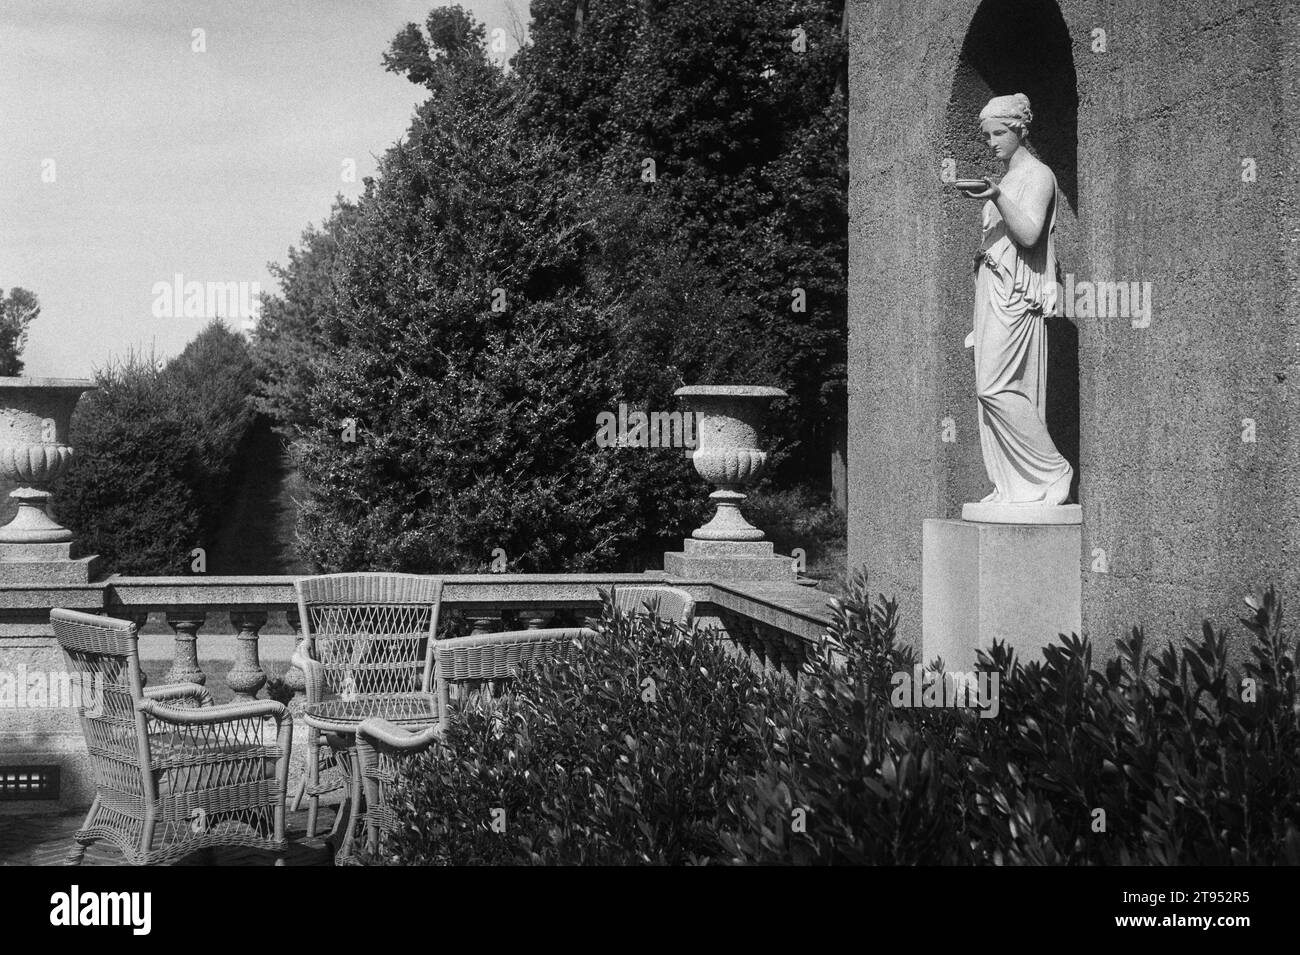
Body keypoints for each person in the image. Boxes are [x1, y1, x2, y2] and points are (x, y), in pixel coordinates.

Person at [958, 93, 1072, 507]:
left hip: (1017, 297)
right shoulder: (1004, 181)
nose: (992, 142)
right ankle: (1013, 486)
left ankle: (1053, 469)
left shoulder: (1038, 175)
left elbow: (1028, 235)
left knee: (997, 387)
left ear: (1020, 129)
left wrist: (996, 197)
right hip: (992, 290)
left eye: (1000, 133)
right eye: (988, 135)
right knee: (986, 389)